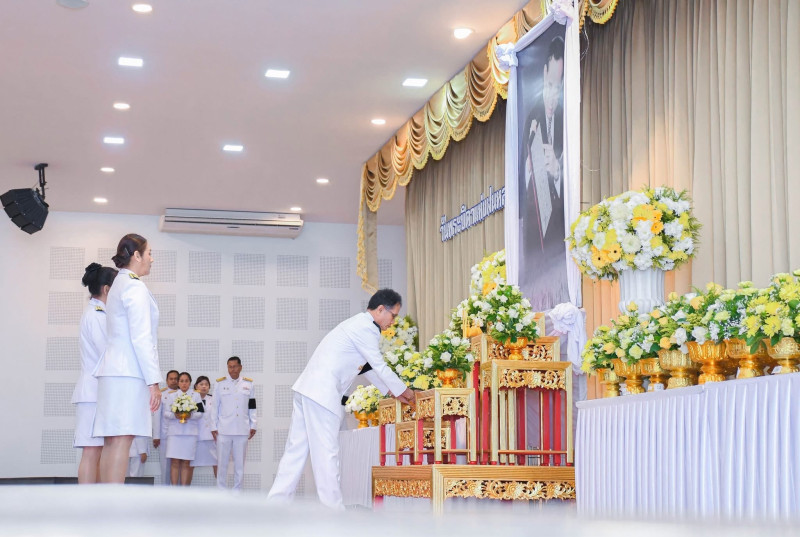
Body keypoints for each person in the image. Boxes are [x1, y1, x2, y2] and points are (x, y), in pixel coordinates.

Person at [267, 289, 415, 510]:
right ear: (380, 309)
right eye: (393, 315)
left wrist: (394, 391)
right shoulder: (366, 328)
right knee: (327, 453)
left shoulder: (357, 324)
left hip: (308, 390)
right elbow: (378, 365)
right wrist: (407, 392)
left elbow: (367, 368)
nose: (393, 322)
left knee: (295, 452)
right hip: (322, 394)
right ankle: (333, 512)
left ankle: (275, 507)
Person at [93, 233, 161, 484]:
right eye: (149, 253)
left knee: (113, 441)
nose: (152, 259)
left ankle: (106, 500)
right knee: (123, 440)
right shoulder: (134, 286)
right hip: (128, 373)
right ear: (137, 255)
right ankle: (114, 502)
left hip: (113, 371)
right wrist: (153, 382)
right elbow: (142, 338)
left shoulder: (119, 283)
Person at [519, 35, 569, 310]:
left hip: (559, 241)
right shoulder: (532, 119)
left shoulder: (569, 120)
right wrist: (530, 170)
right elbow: (520, 184)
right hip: (535, 240)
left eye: (558, 88)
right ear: (543, 76)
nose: (553, 96)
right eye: (549, 86)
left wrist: (558, 172)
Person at [72, 263, 118, 484]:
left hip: (97, 392)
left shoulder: (98, 313)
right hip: (93, 393)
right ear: (107, 289)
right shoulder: (97, 315)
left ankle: (95, 500)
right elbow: (106, 354)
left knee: (97, 452)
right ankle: (87, 501)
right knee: (91, 452)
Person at [212, 357, 256, 491]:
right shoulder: (220, 384)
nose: (232, 369)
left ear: (240, 367)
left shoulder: (248, 384)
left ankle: (237, 492)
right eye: (230, 367)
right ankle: (221, 491)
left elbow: (252, 405)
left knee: (239, 465)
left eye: (235, 366)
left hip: (242, 429)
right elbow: (214, 406)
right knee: (222, 464)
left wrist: (253, 424)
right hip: (223, 429)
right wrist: (213, 426)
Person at [163, 372, 204, 486]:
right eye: (181, 381)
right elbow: (166, 413)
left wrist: (190, 416)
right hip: (174, 433)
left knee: (186, 462)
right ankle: (175, 490)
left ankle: (184, 491)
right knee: (174, 461)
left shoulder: (196, 395)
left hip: (190, 433)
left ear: (190, 383)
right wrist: (175, 415)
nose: (184, 383)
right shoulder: (172, 396)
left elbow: (200, 412)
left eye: (186, 381)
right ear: (178, 383)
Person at [152, 370, 179, 485]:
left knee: (179, 465)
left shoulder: (184, 394)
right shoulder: (161, 395)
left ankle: (179, 491)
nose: (173, 381)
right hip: (165, 435)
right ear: (167, 380)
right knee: (165, 465)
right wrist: (156, 436)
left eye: (176, 379)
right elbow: (156, 416)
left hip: (180, 436)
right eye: (171, 379)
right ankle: (165, 489)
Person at [190, 376, 217, 479]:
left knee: (217, 462)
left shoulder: (214, 399)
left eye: (206, 384)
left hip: (211, 437)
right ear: (196, 386)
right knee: (190, 464)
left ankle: (220, 487)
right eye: (201, 384)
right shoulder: (190, 399)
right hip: (196, 436)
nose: (204, 387)